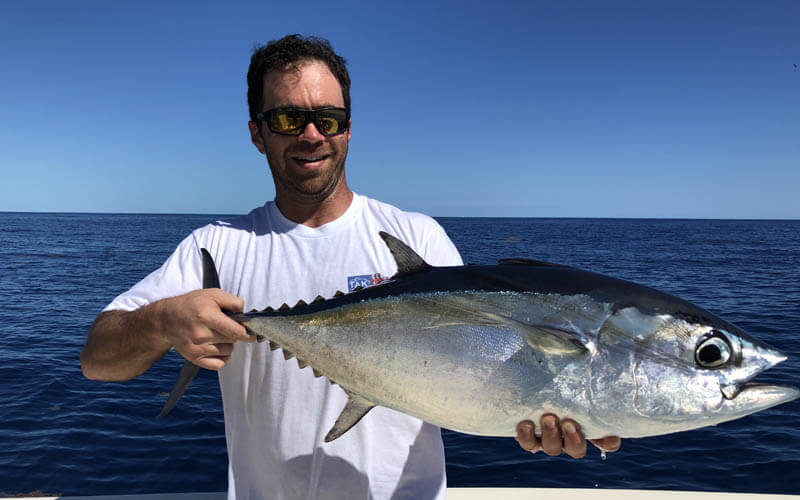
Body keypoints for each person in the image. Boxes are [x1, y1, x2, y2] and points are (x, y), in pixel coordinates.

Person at [81, 34, 620, 500]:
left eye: (327, 118)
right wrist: (163, 321)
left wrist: (558, 404)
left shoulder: (418, 236)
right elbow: (97, 360)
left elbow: (479, 368)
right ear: (257, 133)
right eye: (289, 119)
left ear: (349, 128)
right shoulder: (218, 248)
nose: (310, 135)